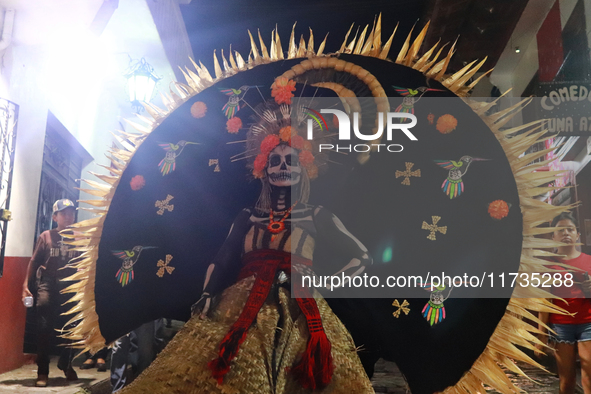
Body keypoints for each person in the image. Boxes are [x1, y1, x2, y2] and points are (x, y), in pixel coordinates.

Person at [117, 103, 374, 393]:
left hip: (301, 305)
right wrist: (206, 292)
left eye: (290, 160)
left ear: (304, 168)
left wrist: (325, 282)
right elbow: (224, 256)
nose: (282, 168)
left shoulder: (317, 215)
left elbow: (363, 256)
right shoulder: (247, 216)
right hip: (243, 302)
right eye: (274, 161)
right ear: (263, 168)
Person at [22, 199, 79, 387]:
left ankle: (66, 362)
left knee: (72, 328)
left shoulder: (80, 237)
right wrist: (25, 285)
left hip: (70, 287)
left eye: (71, 213)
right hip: (48, 285)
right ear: (55, 217)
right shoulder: (46, 236)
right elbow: (34, 262)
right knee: (44, 328)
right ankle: (43, 371)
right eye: (64, 213)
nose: (68, 217)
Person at [537, 212, 591, 394]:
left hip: (588, 323)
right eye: (560, 230)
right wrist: (541, 336)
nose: (566, 232)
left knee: (589, 376)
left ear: (577, 234)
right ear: (553, 236)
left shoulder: (589, 261)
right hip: (561, 325)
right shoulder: (547, 265)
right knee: (566, 380)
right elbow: (544, 301)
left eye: (570, 229)